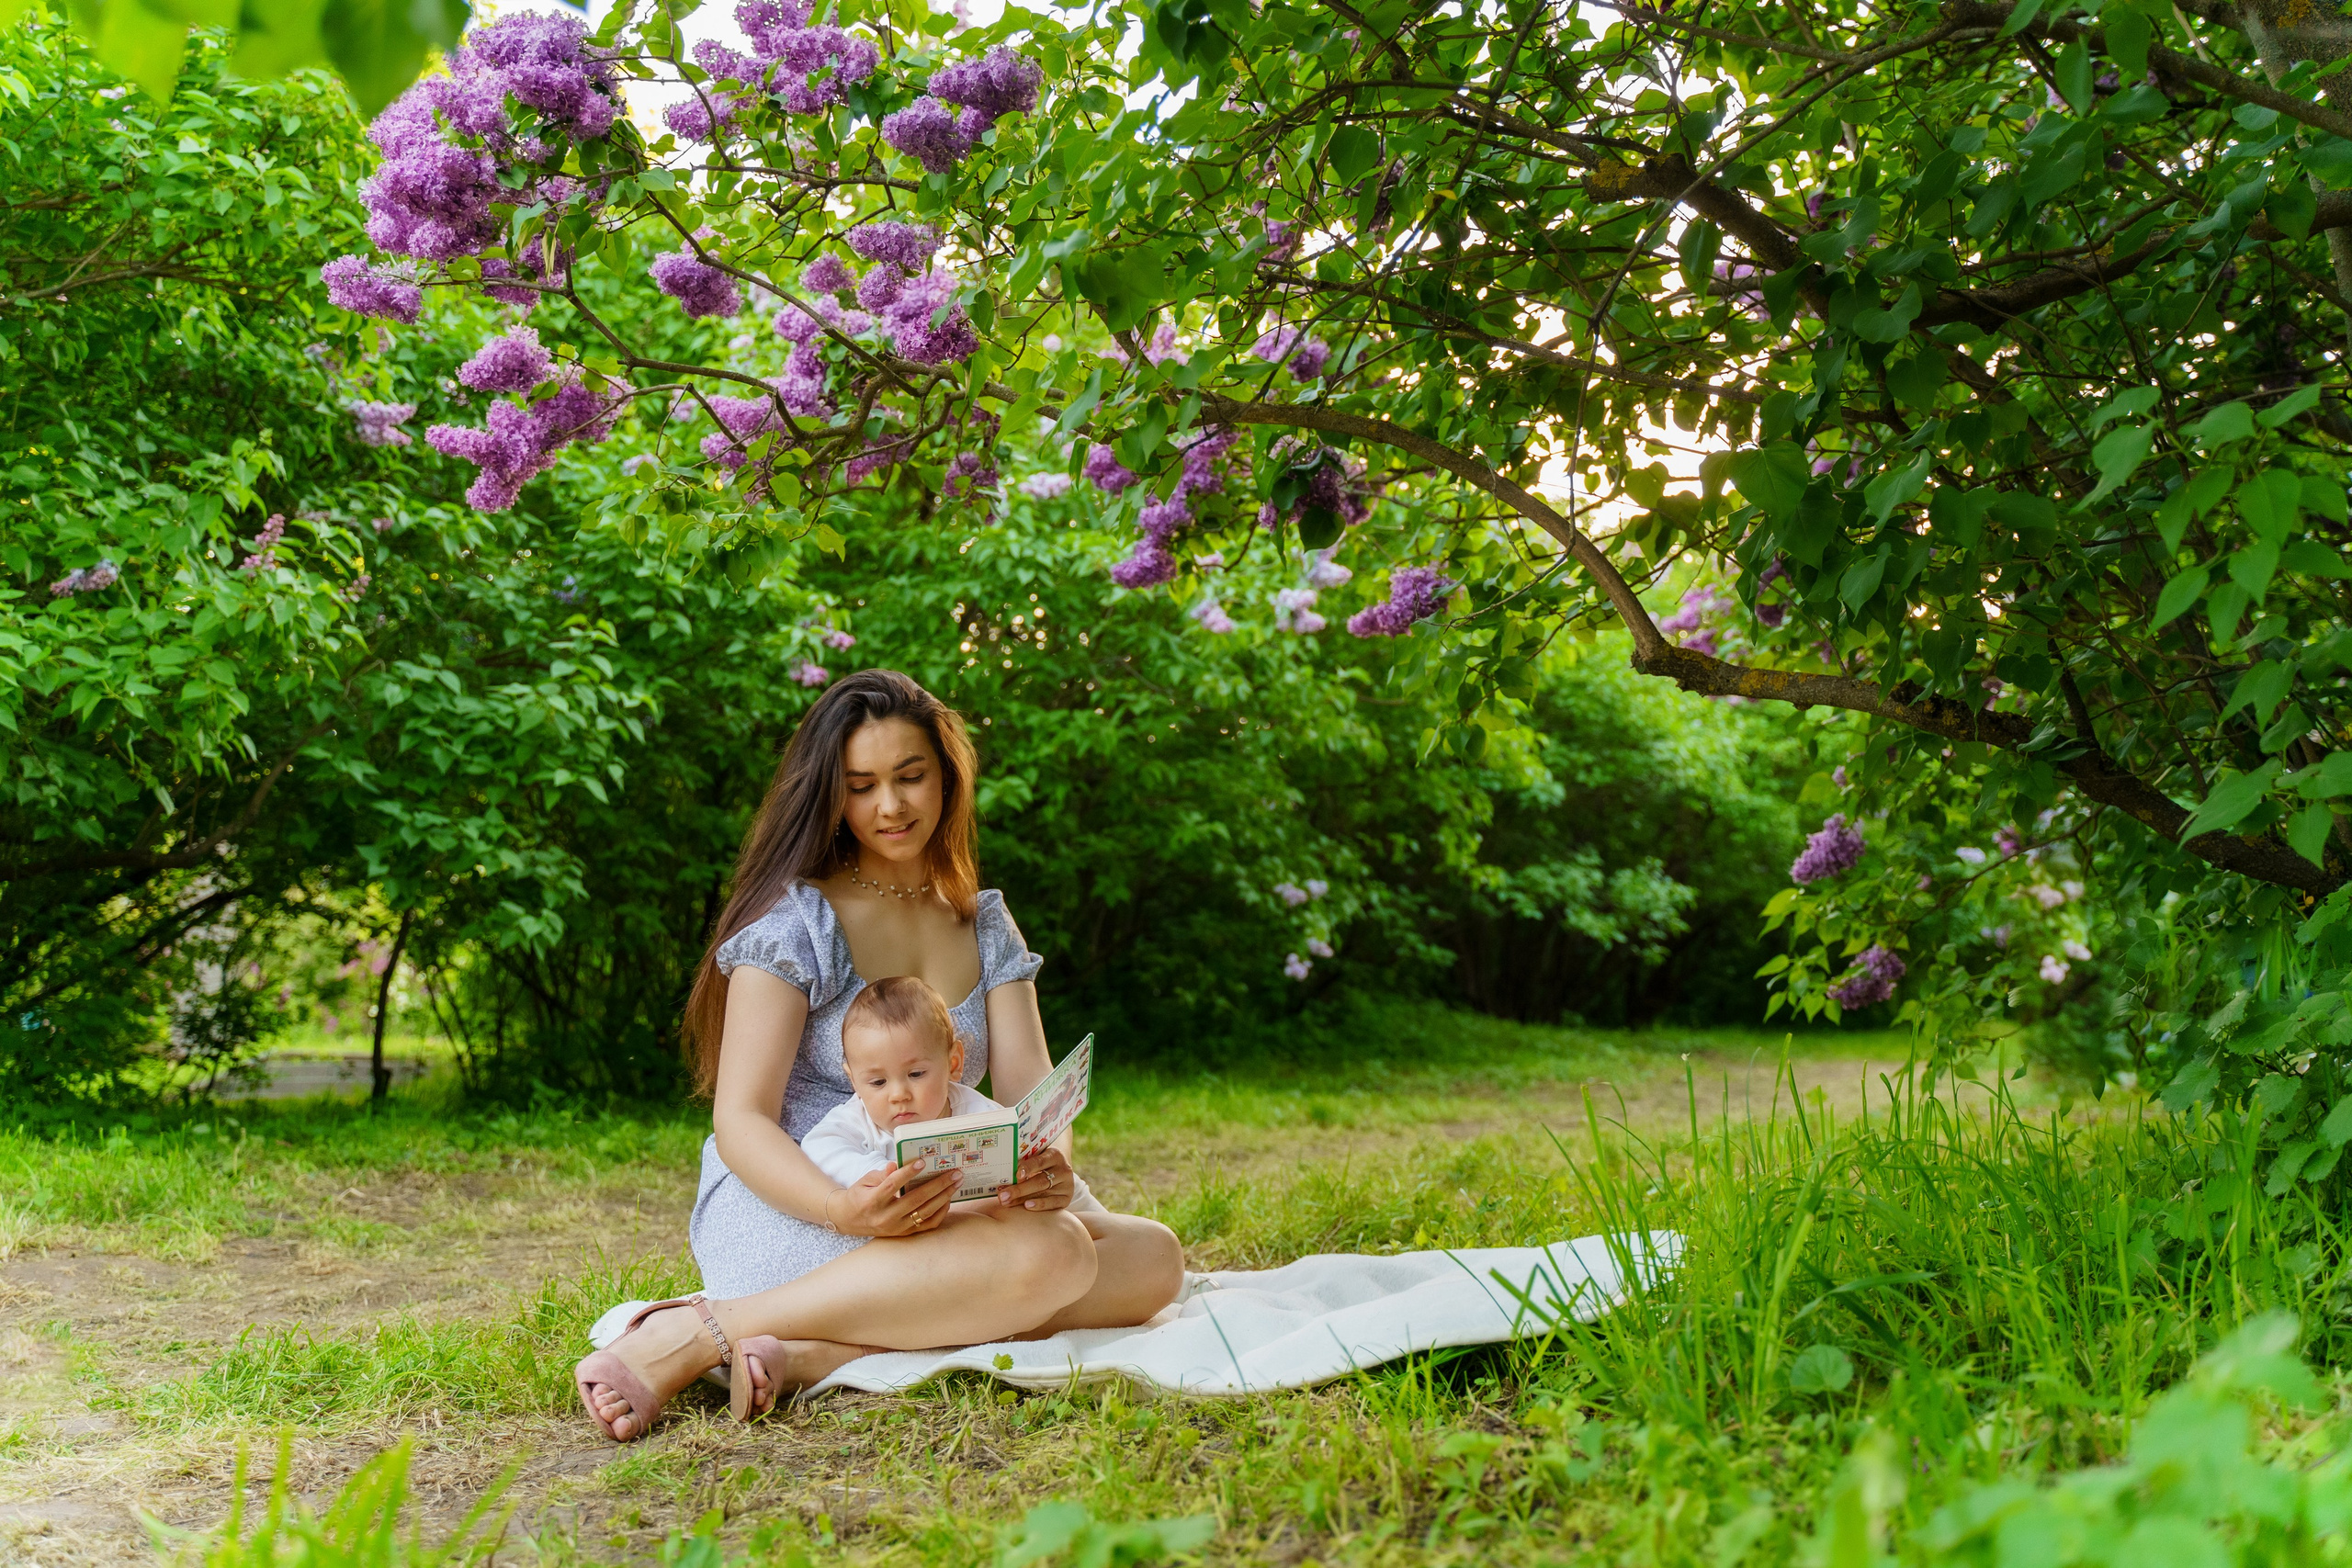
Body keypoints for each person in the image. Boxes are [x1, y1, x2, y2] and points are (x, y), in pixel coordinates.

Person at [576, 670, 1184, 1440]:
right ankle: (699, 1331)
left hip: (950, 1206)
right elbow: (742, 1119)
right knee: (1056, 1257)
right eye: (861, 785)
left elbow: (1033, 1087)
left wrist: (1045, 1166)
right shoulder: (797, 921)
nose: (890, 806)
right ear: (831, 793)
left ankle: (818, 1355)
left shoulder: (983, 923)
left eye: (910, 776)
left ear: (947, 775)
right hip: (801, 1198)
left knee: (1154, 1259)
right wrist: (843, 1206)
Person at [801, 975, 1102, 1213]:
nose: (898, 1094)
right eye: (877, 1083)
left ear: (953, 1063)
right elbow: (818, 1146)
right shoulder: (856, 1120)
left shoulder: (978, 1113)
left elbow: (1025, 1158)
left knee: (1092, 1219)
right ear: (853, 1081)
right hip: (931, 1246)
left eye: (916, 1074)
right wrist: (877, 1173)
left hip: (992, 1228)